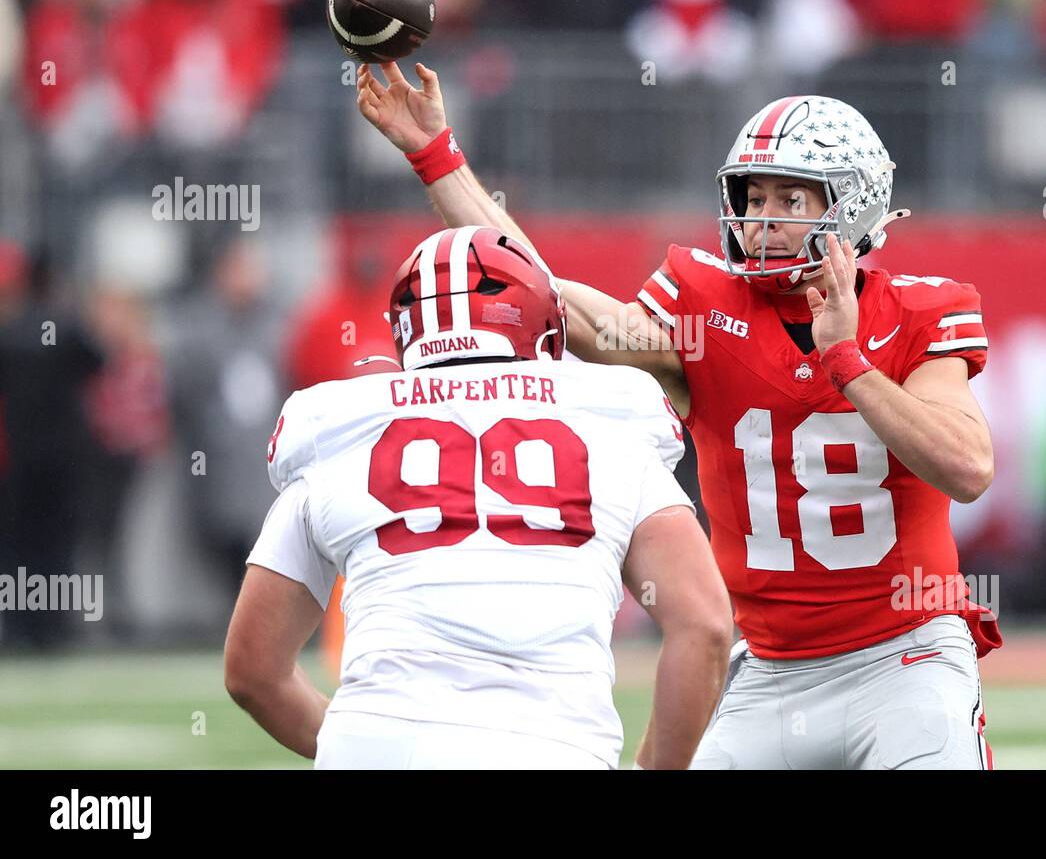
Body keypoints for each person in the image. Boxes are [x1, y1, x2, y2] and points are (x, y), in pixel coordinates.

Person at [357, 62, 1001, 769]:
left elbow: (967, 468)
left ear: (854, 203)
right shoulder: (706, 310)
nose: (764, 219)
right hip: (769, 672)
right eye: (754, 197)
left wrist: (846, 360)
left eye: (792, 197)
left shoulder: (918, 312)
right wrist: (435, 155)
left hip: (902, 660)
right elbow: (544, 296)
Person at [224, 225, 731, 769]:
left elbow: (253, 671)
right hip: (551, 751)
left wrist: (365, 742)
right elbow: (704, 626)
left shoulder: (340, 430)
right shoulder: (612, 424)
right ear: (545, 327)